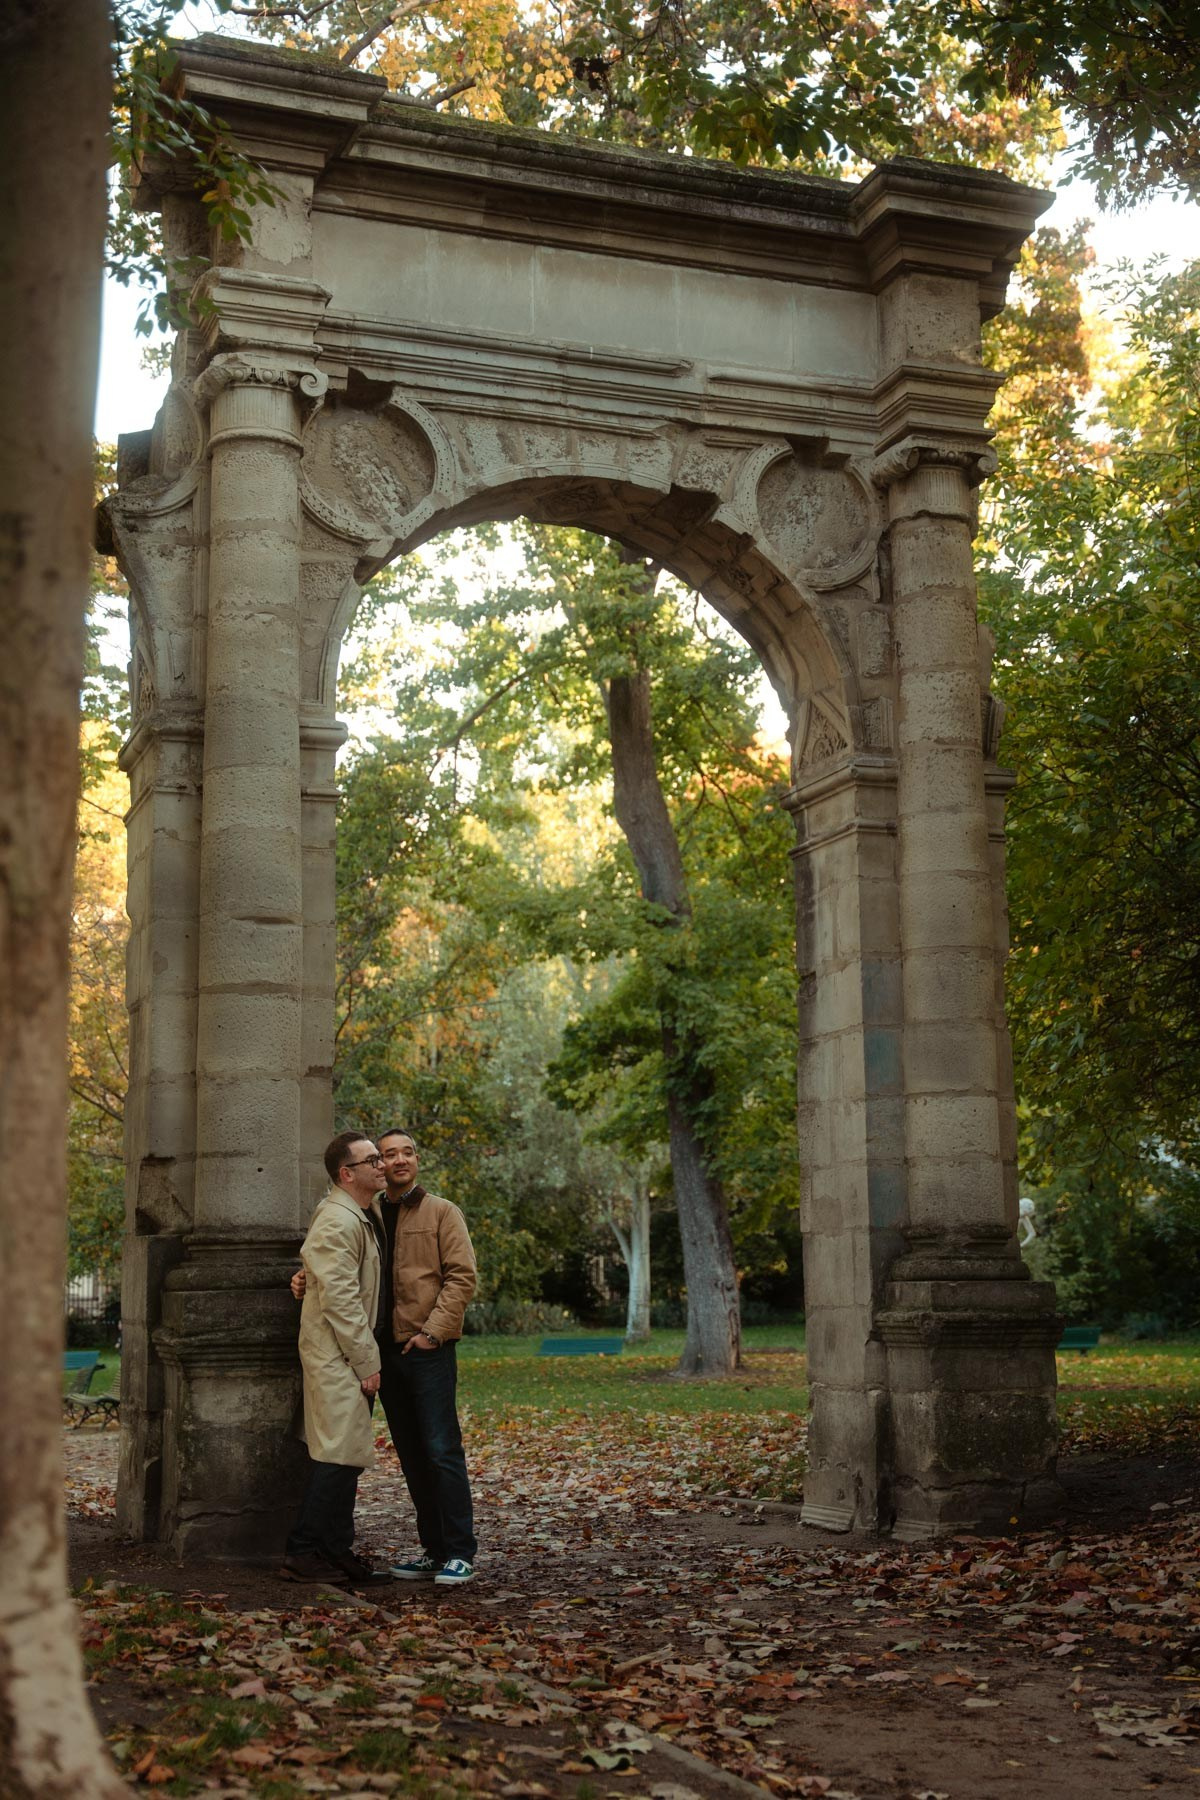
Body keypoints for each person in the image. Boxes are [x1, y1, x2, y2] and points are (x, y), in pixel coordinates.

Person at [291, 1127, 479, 1585]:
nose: (392, 1162)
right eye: (383, 1156)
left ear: (416, 1160)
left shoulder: (441, 1213)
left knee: (441, 1451)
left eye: (403, 1153)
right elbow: (340, 1269)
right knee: (410, 1454)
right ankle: (433, 1551)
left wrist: (434, 1333)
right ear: (354, 1171)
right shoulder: (365, 1212)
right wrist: (305, 1278)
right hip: (380, 1353)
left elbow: (462, 1278)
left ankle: (458, 1551)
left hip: (425, 1349)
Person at [280, 1131, 392, 1587]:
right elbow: (342, 1302)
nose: (382, 1165)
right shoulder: (337, 1220)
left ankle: (335, 1550)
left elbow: (328, 1275)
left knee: (344, 1457)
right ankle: (302, 1553)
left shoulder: (363, 1213)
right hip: (338, 1356)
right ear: (347, 1174)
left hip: (346, 1353)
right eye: (372, 1161)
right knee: (335, 1457)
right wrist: (367, 1362)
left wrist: (305, 1277)